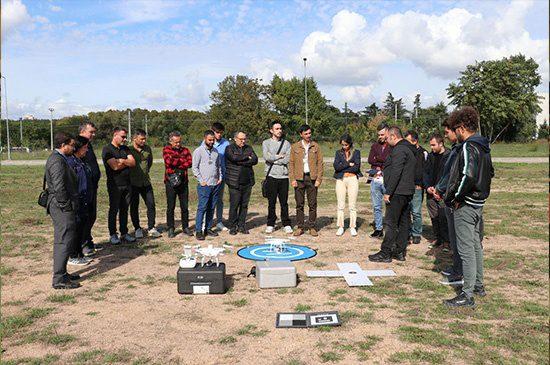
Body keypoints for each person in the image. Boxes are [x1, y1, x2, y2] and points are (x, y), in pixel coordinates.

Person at [443, 106, 494, 307]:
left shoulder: (468, 146)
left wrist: (456, 196)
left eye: (455, 129)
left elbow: (468, 175)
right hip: (478, 203)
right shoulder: (484, 146)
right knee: (475, 246)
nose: (454, 133)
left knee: (466, 250)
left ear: (462, 128)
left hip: (466, 204)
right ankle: (479, 285)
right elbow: (490, 173)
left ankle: (467, 294)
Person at [368, 126, 416, 263]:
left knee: (391, 222)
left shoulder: (400, 150)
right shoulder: (408, 148)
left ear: (394, 136)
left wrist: (388, 192)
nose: (386, 140)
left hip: (398, 192)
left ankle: (386, 252)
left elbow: (396, 172)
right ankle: (399, 251)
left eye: (388, 137)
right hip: (406, 191)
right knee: (403, 222)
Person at [45, 132, 80, 289]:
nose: (73, 148)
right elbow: (59, 187)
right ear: (63, 145)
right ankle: (59, 279)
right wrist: (66, 206)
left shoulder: (59, 159)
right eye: (71, 145)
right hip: (61, 207)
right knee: (63, 240)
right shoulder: (57, 161)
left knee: (66, 239)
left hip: (62, 205)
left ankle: (63, 273)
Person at [432, 121, 463, 286]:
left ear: (457, 130)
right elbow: (446, 174)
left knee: (460, 240)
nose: (445, 135)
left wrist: (445, 190)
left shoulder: (462, 150)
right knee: (454, 239)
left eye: (447, 132)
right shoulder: (456, 150)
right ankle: (457, 268)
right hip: (449, 198)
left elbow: (456, 176)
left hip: (457, 200)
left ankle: (461, 273)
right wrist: (439, 188)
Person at [102, 127, 136, 244]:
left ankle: (124, 233)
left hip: (127, 184)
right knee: (114, 210)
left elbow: (133, 162)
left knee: (124, 209)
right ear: (115, 135)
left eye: (125, 137)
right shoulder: (107, 149)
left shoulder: (125, 148)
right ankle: (112, 234)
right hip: (115, 185)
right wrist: (125, 162)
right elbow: (114, 166)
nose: (125, 139)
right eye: (122, 136)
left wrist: (122, 160)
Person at [289, 124, 324, 237]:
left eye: (309, 133)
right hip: (299, 178)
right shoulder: (295, 147)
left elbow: (320, 163)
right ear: (301, 134)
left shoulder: (316, 146)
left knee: (312, 204)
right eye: (306, 134)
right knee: (299, 204)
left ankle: (312, 227)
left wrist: (319, 179)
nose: (308, 135)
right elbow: (291, 163)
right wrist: (292, 179)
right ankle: (300, 227)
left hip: (312, 178)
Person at [67, 136, 94, 267]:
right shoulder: (71, 163)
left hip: (85, 201)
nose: (87, 150)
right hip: (77, 201)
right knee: (76, 230)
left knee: (82, 228)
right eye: (85, 147)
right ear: (77, 148)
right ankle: (73, 255)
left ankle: (79, 254)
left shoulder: (81, 161)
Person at [225, 131, 258, 235]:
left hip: (247, 181)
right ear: (235, 139)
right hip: (234, 181)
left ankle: (241, 225)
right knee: (234, 205)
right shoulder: (229, 148)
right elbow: (233, 158)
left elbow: (255, 160)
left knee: (244, 205)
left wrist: (241, 160)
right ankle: (232, 226)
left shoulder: (249, 148)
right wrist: (246, 157)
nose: (243, 141)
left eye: (244, 139)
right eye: (241, 139)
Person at [129, 129, 161, 239]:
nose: (144, 141)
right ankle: (137, 228)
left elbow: (150, 162)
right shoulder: (128, 149)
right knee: (134, 206)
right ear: (134, 139)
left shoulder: (147, 149)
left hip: (146, 182)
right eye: (141, 139)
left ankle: (151, 227)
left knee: (151, 204)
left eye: (145, 139)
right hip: (133, 183)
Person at [262, 122, 292, 234]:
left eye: (280, 128)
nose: (279, 130)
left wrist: (274, 158)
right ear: (271, 130)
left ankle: (286, 223)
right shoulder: (266, 143)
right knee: (271, 201)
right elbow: (266, 157)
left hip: (284, 176)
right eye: (277, 128)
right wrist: (279, 156)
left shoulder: (287, 144)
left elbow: (287, 159)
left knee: (284, 202)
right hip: (271, 176)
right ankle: (270, 223)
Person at [192, 130, 223, 240]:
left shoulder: (215, 151)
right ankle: (199, 230)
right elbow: (194, 168)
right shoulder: (198, 151)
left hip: (215, 184)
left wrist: (220, 177)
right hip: (204, 185)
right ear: (205, 138)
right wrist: (201, 180)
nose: (211, 142)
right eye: (209, 140)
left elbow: (218, 166)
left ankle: (208, 228)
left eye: (213, 140)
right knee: (202, 208)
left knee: (211, 207)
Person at [162, 131, 194, 238]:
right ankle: (171, 228)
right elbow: (169, 162)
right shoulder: (166, 149)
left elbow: (189, 163)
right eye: (175, 142)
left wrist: (176, 160)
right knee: (170, 206)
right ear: (170, 141)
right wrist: (181, 161)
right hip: (170, 182)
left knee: (184, 207)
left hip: (183, 182)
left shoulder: (186, 150)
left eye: (179, 142)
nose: (178, 144)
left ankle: (185, 227)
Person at [424, 133, 450, 250]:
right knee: (434, 217)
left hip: (443, 193)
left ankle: (447, 241)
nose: (432, 148)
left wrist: (439, 189)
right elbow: (425, 173)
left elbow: (449, 176)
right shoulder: (430, 156)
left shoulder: (449, 156)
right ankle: (437, 238)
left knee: (444, 217)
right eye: (430, 145)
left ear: (441, 144)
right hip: (431, 192)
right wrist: (428, 187)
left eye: (434, 145)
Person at [79, 122, 102, 254]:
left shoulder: (89, 145)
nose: (93, 135)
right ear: (82, 131)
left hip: (93, 186)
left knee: (92, 215)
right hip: (84, 188)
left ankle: (88, 240)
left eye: (94, 132)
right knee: (85, 216)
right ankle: (83, 244)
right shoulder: (77, 145)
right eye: (91, 132)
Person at [333, 134, 362, 237]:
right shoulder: (338, 153)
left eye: (346, 145)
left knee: (352, 205)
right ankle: (340, 226)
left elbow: (356, 168)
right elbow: (336, 167)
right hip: (341, 180)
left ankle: (352, 227)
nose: (344, 146)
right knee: (340, 205)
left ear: (350, 143)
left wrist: (343, 166)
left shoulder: (356, 152)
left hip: (352, 179)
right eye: (342, 145)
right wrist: (348, 164)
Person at [367, 123, 391, 238]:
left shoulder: (392, 146)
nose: (380, 136)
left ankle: (391, 228)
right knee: (376, 206)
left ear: (387, 133)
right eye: (379, 135)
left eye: (382, 134)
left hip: (387, 178)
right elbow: (370, 160)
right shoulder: (374, 146)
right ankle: (378, 228)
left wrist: (378, 160)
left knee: (390, 205)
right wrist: (381, 161)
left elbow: (389, 160)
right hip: (375, 179)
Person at [404, 130, 428, 245]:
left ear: (415, 141)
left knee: (416, 212)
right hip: (406, 186)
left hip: (417, 187)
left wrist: (421, 184)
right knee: (406, 211)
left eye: (409, 141)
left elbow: (426, 171)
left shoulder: (423, 153)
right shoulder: (406, 152)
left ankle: (417, 233)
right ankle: (407, 232)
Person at [210, 122, 230, 232]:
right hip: (210, 176)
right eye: (217, 132)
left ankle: (219, 221)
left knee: (219, 199)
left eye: (221, 133)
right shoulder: (206, 143)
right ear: (212, 131)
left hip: (222, 176)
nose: (219, 135)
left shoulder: (226, 143)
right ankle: (207, 220)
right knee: (209, 198)